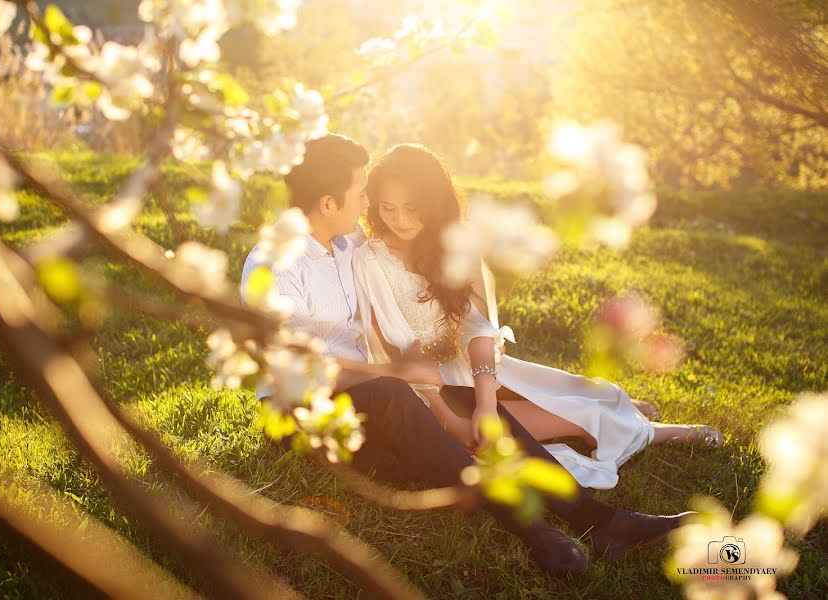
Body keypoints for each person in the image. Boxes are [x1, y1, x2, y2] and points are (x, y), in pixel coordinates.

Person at [241, 133, 694, 579]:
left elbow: (403, 249)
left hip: (369, 398)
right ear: (326, 204)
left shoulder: (344, 242)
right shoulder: (275, 266)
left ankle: (599, 522)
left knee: (466, 407)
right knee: (396, 399)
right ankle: (532, 532)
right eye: (360, 193)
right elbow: (290, 369)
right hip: (303, 411)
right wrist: (391, 371)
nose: (366, 203)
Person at [352, 143, 724, 490]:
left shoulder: (458, 242)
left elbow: (478, 328)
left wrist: (484, 403)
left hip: (473, 368)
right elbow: (405, 355)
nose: (400, 220)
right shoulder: (372, 260)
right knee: (579, 414)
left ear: (433, 202)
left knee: (588, 392)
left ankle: (622, 406)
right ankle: (658, 431)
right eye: (388, 208)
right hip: (428, 395)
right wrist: (456, 417)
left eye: (412, 208)